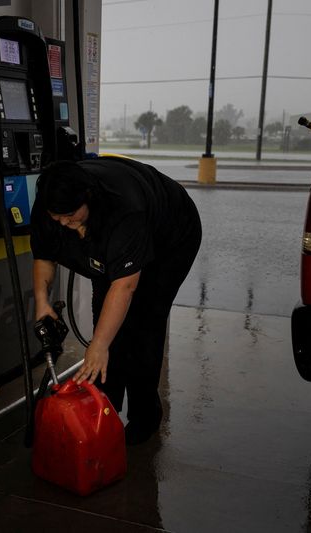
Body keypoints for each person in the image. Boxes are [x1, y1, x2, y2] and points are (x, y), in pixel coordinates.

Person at [30, 156, 201, 445]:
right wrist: (42, 301)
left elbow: (124, 288)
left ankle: (145, 416)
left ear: (88, 197)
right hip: (110, 244)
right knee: (106, 317)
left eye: (70, 216)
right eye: (57, 218)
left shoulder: (124, 211)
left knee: (144, 320)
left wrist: (98, 346)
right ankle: (105, 401)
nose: (64, 223)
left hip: (171, 236)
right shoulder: (51, 205)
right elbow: (44, 256)